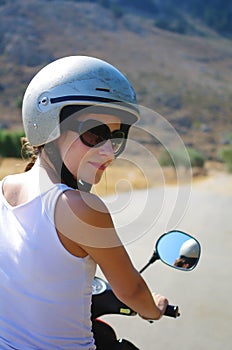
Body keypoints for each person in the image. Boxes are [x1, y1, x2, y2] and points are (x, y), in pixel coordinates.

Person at [0, 56, 168, 349]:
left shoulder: (4, 191)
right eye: (94, 133)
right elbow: (131, 290)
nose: (109, 153)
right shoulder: (82, 208)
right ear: (50, 128)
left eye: (116, 138)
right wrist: (154, 307)